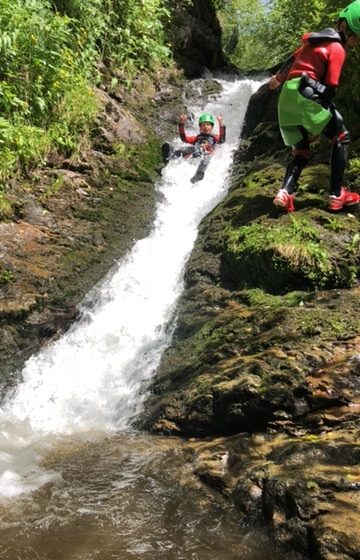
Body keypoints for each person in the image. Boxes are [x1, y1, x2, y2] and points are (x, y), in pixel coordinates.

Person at [268, 0, 360, 212]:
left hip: (287, 97)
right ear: (345, 27)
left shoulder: (314, 41)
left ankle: (285, 192)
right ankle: (337, 195)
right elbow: (330, 89)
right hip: (308, 93)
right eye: (356, 37)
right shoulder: (337, 48)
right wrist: (317, 123)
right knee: (341, 135)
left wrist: (277, 80)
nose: (356, 43)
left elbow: (291, 61)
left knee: (301, 149)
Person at [162, 112, 226, 183]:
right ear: (200, 127)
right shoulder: (197, 138)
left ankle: (199, 174)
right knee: (184, 149)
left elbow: (222, 140)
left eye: (208, 125)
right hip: (195, 152)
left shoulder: (214, 138)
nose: (206, 127)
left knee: (206, 158)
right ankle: (171, 157)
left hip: (207, 153)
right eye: (203, 125)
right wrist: (181, 124)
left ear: (211, 127)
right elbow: (184, 138)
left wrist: (220, 123)